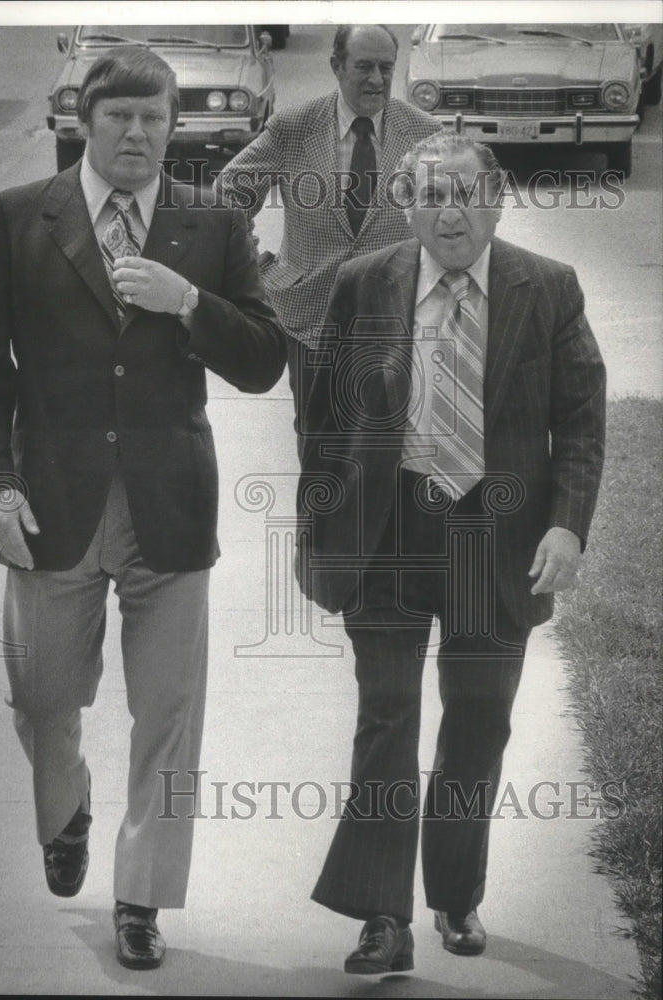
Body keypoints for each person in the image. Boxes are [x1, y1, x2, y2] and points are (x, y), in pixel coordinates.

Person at [0, 47, 286, 971]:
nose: (137, 135)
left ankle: (141, 898)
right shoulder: (20, 217)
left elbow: (263, 358)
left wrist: (189, 303)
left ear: (174, 126)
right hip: (50, 502)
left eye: (154, 119)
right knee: (42, 698)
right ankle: (68, 810)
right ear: (84, 122)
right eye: (119, 119)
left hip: (170, 509)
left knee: (170, 715)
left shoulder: (211, 223)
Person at [295, 132, 606, 974]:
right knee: (386, 717)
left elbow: (579, 420)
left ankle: (455, 894)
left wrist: (567, 524)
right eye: (431, 194)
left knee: (477, 720)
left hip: (494, 540)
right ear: (409, 205)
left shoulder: (547, 288)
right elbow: (321, 413)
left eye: (465, 193)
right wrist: (324, 513)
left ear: (496, 199)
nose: (450, 211)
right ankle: (381, 916)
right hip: (391, 532)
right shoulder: (367, 283)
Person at [214, 23, 441, 421]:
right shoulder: (294, 127)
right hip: (311, 322)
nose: (376, 80)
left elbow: (455, 219)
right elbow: (224, 200)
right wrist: (256, 266)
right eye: (364, 67)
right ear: (337, 65)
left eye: (386, 68)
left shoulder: (425, 133)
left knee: (392, 455)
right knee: (319, 452)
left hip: (398, 326)